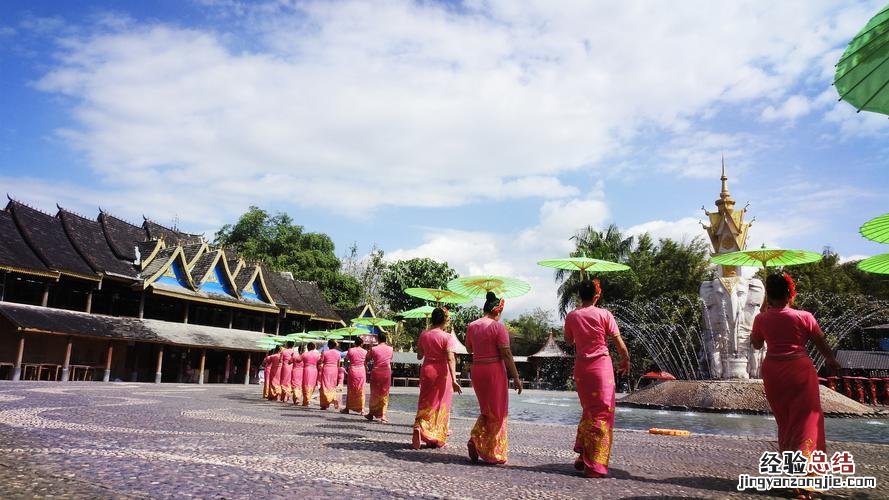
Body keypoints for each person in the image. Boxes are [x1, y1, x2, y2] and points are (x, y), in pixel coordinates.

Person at [751, 274, 840, 463]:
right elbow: (820, 342)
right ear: (790, 294)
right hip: (799, 369)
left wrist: (762, 313)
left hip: (774, 371)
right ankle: (805, 472)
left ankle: (792, 466)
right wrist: (831, 359)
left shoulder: (761, 319)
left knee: (785, 420)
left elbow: (756, 344)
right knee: (807, 418)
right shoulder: (805, 316)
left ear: (769, 295)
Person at [564, 279, 630, 478]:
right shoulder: (604, 314)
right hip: (601, 367)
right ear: (596, 295)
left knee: (589, 410)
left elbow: (568, 341)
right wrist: (625, 360)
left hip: (582, 369)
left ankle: (584, 454)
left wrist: (577, 318)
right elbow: (618, 342)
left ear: (579, 295)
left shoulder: (572, 315)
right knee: (602, 413)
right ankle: (594, 464)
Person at [466, 292, 523, 465]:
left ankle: (477, 439)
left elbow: (469, 349)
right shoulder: (498, 327)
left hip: (477, 369)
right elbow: (506, 352)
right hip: (493, 370)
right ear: (497, 310)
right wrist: (516, 377)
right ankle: (488, 449)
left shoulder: (472, 325)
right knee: (498, 411)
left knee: (486, 409)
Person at [412, 307, 461, 449]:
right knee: (440, 402)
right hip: (441, 372)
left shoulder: (424, 334)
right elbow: (451, 358)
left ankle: (419, 426)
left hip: (427, 369)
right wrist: (454, 379)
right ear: (444, 320)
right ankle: (436, 436)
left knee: (425, 401)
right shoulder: (447, 337)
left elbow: (419, 356)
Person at [366, 332, 394, 423]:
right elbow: (390, 359)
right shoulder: (390, 349)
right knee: (385, 393)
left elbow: (368, 359)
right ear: (385, 339)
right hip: (386, 372)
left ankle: (371, 413)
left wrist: (370, 349)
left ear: (378, 339)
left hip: (376, 372)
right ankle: (383, 415)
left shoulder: (374, 348)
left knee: (374, 393)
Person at [342, 341, 368, 415]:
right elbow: (365, 363)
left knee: (351, 389)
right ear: (362, 344)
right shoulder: (365, 351)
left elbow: (345, 360)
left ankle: (347, 408)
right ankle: (362, 409)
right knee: (361, 389)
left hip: (352, 370)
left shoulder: (351, 350)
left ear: (354, 343)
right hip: (361, 371)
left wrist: (347, 366)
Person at [319, 339, 342, 410]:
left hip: (326, 369)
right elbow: (338, 364)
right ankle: (333, 398)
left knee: (325, 386)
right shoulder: (338, 353)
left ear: (328, 345)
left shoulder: (325, 352)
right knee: (332, 386)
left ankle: (324, 404)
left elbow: (321, 361)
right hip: (334, 370)